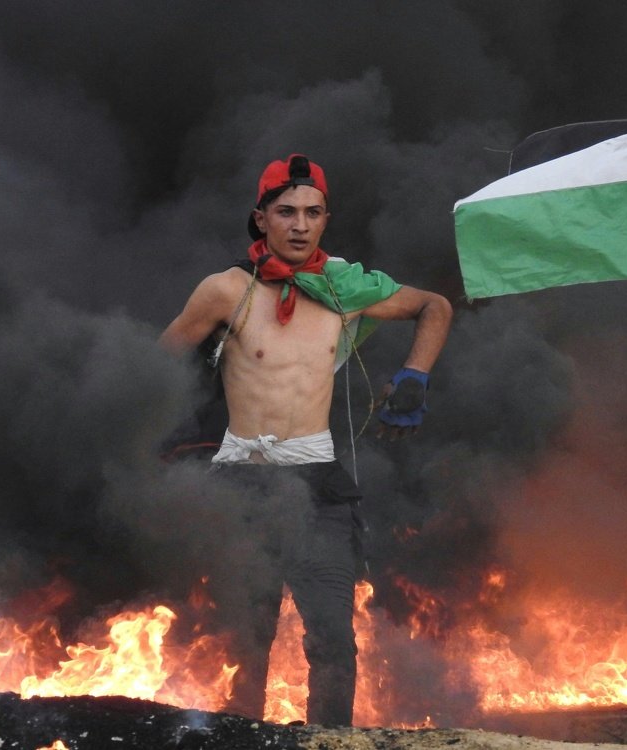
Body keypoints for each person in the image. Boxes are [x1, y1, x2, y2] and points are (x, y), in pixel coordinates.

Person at [159, 154, 452, 727]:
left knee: (334, 646)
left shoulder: (343, 290)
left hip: (317, 485)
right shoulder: (226, 292)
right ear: (261, 218)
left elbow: (433, 307)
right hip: (241, 482)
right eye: (286, 211)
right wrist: (173, 442)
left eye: (312, 213)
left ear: (325, 220)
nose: (299, 225)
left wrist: (415, 377)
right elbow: (148, 373)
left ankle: (329, 742)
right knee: (246, 646)